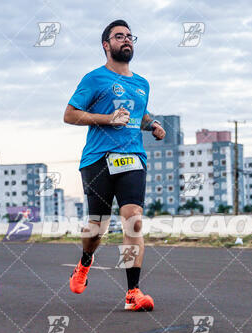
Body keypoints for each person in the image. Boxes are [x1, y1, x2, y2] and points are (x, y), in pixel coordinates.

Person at [63, 20, 166, 311]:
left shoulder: (142, 83)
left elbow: (139, 114)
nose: (126, 40)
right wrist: (108, 119)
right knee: (97, 228)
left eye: (129, 36)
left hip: (133, 158)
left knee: (133, 218)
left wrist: (153, 125)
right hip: (97, 159)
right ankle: (85, 262)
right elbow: (70, 115)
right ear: (106, 45)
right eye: (118, 36)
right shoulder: (94, 79)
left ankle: (133, 293)